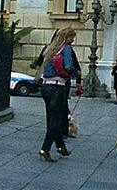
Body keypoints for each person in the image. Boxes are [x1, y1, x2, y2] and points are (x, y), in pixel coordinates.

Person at [37, 28, 81, 162]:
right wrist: (76, 73)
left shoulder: (51, 48)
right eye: (72, 37)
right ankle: (45, 148)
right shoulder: (66, 48)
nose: (73, 40)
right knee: (57, 120)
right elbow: (68, 66)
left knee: (52, 117)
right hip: (58, 86)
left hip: (46, 86)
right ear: (66, 37)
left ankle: (61, 146)